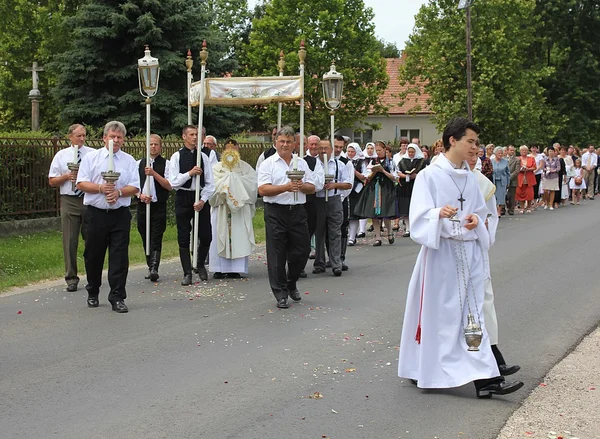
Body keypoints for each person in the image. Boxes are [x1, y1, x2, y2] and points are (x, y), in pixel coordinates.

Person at [398, 117, 523, 398]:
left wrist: (474, 221)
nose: (475, 148)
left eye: (477, 143)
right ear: (452, 141)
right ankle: (426, 369)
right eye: (471, 141)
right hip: (441, 256)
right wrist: (437, 215)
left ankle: (486, 379)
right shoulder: (429, 176)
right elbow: (417, 219)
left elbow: (483, 214)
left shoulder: (470, 178)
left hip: (469, 254)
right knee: (442, 319)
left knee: (473, 316)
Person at [467, 145, 521, 377]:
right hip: (450, 253)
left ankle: (493, 357)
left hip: (476, 249)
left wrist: (484, 229)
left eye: (474, 155)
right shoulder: (439, 178)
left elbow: (490, 215)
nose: (471, 159)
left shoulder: (482, 183)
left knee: (484, 303)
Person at [76, 121, 140, 313]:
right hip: (96, 214)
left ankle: (117, 296)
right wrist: (101, 188)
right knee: (93, 255)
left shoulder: (128, 160)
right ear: (104, 138)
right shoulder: (91, 158)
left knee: (119, 257)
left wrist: (119, 192)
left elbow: (135, 187)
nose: (116, 140)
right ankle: (93, 290)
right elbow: (80, 183)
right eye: (112, 136)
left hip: (119, 215)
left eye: (119, 137)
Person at [257, 126, 317, 309]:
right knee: (277, 254)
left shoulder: (301, 163)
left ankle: (291, 281)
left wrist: (301, 186)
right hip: (275, 212)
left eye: (288, 142)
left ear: (294, 144)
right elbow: (262, 189)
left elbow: (313, 187)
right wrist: (286, 187)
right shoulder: (268, 163)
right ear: (276, 142)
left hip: (297, 210)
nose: (285, 144)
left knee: (302, 250)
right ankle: (281, 293)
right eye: (281, 141)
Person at [48, 124, 94, 292]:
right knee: (70, 241)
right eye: (78, 136)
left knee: (92, 239)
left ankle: (93, 276)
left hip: (88, 199)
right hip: (69, 199)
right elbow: (52, 181)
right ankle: (71, 278)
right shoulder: (61, 155)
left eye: (84, 135)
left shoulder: (92, 154)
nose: (81, 139)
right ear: (70, 137)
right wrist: (67, 176)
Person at [168, 125, 215, 286]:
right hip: (183, 196)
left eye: (197, 134)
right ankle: (187, 272)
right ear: (184, 137)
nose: (195, 137)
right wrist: (190, 173)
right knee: (183, 235)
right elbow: (173, 182)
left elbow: (210, 183)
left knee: (206, 235)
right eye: (191, 134)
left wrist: (202, 200)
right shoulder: (176, 157)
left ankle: (200, 263)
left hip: (200, 196)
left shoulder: (204, 157)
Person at [207, 139, 257, 279]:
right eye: (229, 149)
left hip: (239, 211)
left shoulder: (245, 168)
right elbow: (211, 186)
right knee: (218, 236)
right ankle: (219, 268)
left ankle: (236, 268)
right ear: (223, 151)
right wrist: (225, 185)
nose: (232, 152)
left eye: (234, 149)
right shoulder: (216, 168)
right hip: (222, 208)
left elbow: (252, 185)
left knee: (238, 236)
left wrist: (234, 181)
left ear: (238, 150)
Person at [312, 139, 352, 276]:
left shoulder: (339, 164)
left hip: (334, 200)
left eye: (326, 148)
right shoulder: (314, 164)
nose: (323, 151)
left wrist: (334, 185)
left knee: (335, 232)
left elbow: (348, 184)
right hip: (318, 200)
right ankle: (319, 263)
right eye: (321, 148)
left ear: (331, 149)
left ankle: (336, 263)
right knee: (319, 233)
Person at [136, 134, 172, 282]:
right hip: (143, 205)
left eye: (156, 144)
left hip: (158, 205)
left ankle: (154, 267)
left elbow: (169, 185)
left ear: (160, 146)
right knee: (145, 235)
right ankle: (149, 265)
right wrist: (140, 195)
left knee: (156, 236)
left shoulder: (166, 164)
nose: (153, 147)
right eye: (150, 144)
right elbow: (133, 185)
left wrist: (154, 173)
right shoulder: (138, 163)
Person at [353, 141, 397, 246]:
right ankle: (378, 237)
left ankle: (389, 232)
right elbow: (367, 177)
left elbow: (394, 177)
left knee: (385, 212)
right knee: (374, 214)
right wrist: (374, 171)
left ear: (385, 150)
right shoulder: (372, 162)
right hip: (374, 188)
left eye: (380, 150)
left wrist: (383, 171)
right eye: (376, 151)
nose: (378, 152)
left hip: (386, 188)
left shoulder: (390, 162)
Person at [301, 135, 324, 276]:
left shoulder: (320, 161)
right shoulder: (302, 161)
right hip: (302, 201)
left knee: (313, 232)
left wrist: (310, 184)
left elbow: (319, 183)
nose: (314, 147)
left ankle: (317, 262)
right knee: (302, 235)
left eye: (316, 144)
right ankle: (299, 265)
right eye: (312, 144)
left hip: (315, 200)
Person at [333, 135, 354, 271]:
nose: (338, 150)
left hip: (340, 198)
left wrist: (340, 195)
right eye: (336, 147)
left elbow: (349, 183)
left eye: (341, 147)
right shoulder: (322, 160)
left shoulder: (346, 162)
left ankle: (341, 256)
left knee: (342, 228)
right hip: (325, 199)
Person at [396, 143, 425, 237]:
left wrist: (416, 175)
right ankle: (408, 228)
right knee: (406, 208)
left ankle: (416, 228)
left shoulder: (421, 161)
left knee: (416, 207)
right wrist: (406, 176)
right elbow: (398, 172)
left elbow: (425, 172)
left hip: (417, 186)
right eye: (409, 151)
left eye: (413, 152)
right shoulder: (403, 160)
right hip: (405, 186)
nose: (411, 153)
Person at [346, 143, 367, 246]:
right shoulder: (343, 160)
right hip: (345, 189)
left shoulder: (361, 161)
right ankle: (347, 234)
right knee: (346, 213)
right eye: (349, 151)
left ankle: (352, 237)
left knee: (354, 214)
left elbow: (364, 177)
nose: (350, 153)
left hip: (356, 189)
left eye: (352, 151)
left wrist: (353, 171)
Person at [515, 145, 536, 213]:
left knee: (529, 193)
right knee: (520, 193)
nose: (524, 151)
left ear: (527, 151)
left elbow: (534, 167)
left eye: (525, 150)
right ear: (520, 151)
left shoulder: (531, 158)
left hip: (529, 177)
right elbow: (515, 168)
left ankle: (529, 207)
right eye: (522, 150)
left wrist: (528, 169)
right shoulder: (517, 159)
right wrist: (520, 169)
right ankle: (522, 207)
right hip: (520, 178)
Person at [491, 146, 510, 217]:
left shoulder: (505, 161)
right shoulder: (491, 161)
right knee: (494, 196)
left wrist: (508, 182)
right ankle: (494, 211)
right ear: (495, 153)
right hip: (493, 181)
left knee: (501, 197)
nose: (500, 154)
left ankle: (499, 211)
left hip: (502, 181)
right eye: (499, 153)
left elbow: (508, 173)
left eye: (501, 153)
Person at [542, 146, 560, 211]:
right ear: (547, 152)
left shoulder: (556, 159)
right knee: (545, 190)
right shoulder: (544, 159)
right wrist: (546, 169)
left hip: (554, 176)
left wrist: (553, 170)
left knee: (552, 190)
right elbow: (542, 167)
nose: (551, 152)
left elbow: (558, 168)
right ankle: (546, 202)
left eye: (552, 151)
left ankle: (551, 204)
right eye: (550, 151)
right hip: (546, 176)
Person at [506, 145, 518, 215]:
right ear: (507, 151)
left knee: (512, 196)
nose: (512, 152)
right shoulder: (503, 158)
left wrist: (509, 178)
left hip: (513, 179)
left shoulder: (517, 159)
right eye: (511, 150)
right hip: (503, 179)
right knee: (504, 195)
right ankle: (503, 209)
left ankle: (511, 209)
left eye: (513, 150)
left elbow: (516, 171)